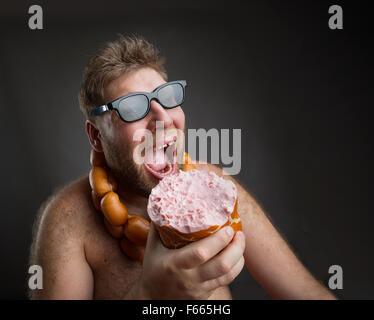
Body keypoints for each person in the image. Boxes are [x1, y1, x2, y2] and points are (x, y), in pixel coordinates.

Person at [28, 35, 335, 300]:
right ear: (96, 136)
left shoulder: (215, 189)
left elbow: (307, 294)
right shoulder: (67, 219)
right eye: (133, 107)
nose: (163, 118)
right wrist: (149, 295)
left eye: (167, 97)